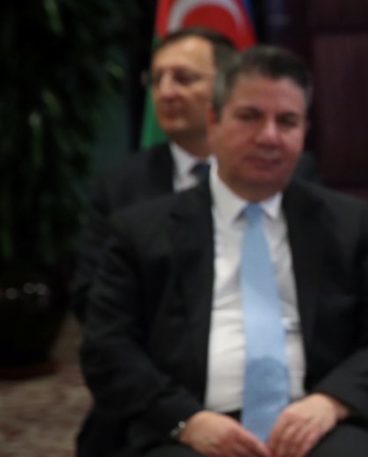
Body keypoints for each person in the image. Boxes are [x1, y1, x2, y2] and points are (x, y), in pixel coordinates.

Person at [78, 46, 368, 457]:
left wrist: (331, 402)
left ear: (304, 131)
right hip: (193, 424)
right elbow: (107, 348)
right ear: (213, 121)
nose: (269, 136)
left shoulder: (346, 223)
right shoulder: (142, 230)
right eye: (250, 116)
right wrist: (187, 420)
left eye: (287, 121)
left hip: (316, 419)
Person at [71, 27, 318, 320]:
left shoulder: (286, 170)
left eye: (183, 78)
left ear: (226, 89)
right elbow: (91, 295)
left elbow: (319, 283)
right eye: (156, 79)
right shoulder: (120, 186)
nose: (165, 92)